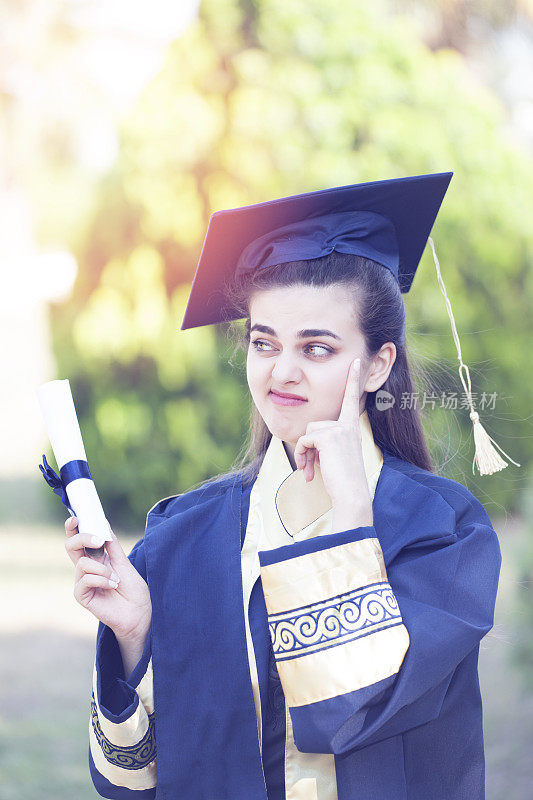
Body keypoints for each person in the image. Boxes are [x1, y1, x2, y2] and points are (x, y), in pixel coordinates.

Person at [61, 172, 511, 799]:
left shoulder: (440, 532)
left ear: (379, 364)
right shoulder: (179, 540)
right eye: (264, 342)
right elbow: (127, 782)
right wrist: (137, 637)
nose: (283, 372)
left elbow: (349, 712)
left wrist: (352, 519)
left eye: (318, 348)